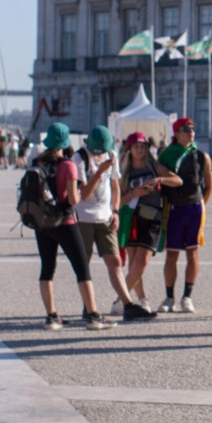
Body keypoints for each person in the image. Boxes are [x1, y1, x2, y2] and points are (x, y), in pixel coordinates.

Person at [29, 124, 112, 331]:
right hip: (65, 222)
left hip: (42, 223)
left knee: (47, 268)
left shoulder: (37, 163)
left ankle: (51, 316)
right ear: (66, 143)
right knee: (81, 268)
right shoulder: (68, 166)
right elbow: (74, 199)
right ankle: (93, 315)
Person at [73, 128, 155, 321]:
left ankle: (128, 305)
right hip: (84, 218)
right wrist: (99, 172)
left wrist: (116, 211)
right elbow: (83, 195)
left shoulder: (111, 154)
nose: (100, 154)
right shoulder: (80, 158)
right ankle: (89, 306)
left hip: (105, 217)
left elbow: (115, 185)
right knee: (84, 263)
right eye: (98, 152)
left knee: (115, 261)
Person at [116, 132, 181, 312]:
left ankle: (120, 300)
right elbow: (117, 201)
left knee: (142, 262)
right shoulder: (124, 172)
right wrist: (133, 194)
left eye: (142, 146)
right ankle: (141, 299)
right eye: (136, 146)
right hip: (131, 217)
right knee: (133, 261)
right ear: (129, 149)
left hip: (152, 218)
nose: (139, 150)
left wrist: (161, 179)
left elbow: (178, 180)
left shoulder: (154, 166)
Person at [157, 118, 212, 314]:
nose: (191, 132)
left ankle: (187, 296)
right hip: (173, 208)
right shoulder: (166, 156)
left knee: (193, 252)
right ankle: (169, 296)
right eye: (186, 129)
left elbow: (209, 184)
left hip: (194, 208)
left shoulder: (201, 155)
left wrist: (201, 205)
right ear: (176, 133)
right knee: (171, 254)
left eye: (192, 128)